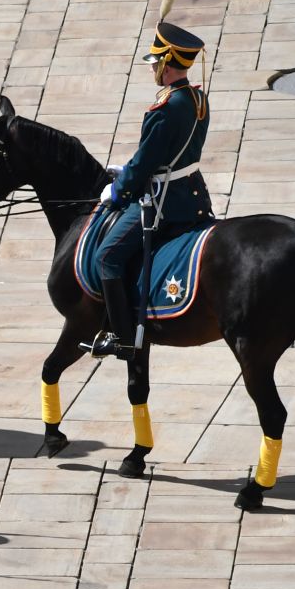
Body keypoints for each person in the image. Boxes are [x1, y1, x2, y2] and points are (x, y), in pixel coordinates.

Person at [90, 20, 211, 359]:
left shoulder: (164, 108)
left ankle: (123, 338)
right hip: (194, 196)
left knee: (108, 257)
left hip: (165, 202)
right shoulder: (197, 98)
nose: (154, 69)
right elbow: (165, 155)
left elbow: (147, 163)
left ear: (168, 64)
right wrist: (126, 168)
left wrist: (118, 191)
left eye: (157, 62)